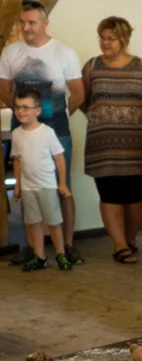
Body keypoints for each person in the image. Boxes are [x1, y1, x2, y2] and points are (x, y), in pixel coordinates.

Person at [0, 0, 85, 266]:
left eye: (32, 23)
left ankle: (67, 246)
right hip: (21, 130)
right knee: (27, 187)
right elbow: (4, 89)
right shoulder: (11, 52)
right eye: (23, 22)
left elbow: (79, 93)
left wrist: (55, 118)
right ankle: (31, 247)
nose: (26, 27)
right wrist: (22, 115)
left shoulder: (64, 52)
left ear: (45, 23)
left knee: (62, 187)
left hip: (57, 130)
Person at [81, 16, 142, 264]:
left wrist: (136, 118)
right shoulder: (92, 66)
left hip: (137, 146)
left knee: (134, 195)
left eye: (111, 38)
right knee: (109, 194)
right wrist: (100, 116)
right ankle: (119, 245)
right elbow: (82, 98)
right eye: (102, 38)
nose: (105, 43)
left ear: (124, 40)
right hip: (102, 145)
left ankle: (130, 239)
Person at [11, 89, 72, 271]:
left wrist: (61, 183)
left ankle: (60, 254)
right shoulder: (16, 134)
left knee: (53, 222)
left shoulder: (47, 132)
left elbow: (59, 158)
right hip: (28, 188)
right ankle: (40, 257)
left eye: (26, 107)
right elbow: (18, 160)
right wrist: (18, 184)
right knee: (33, 223)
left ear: (37, 110)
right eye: (18, 107)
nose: (21, 111)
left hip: (46, 185)